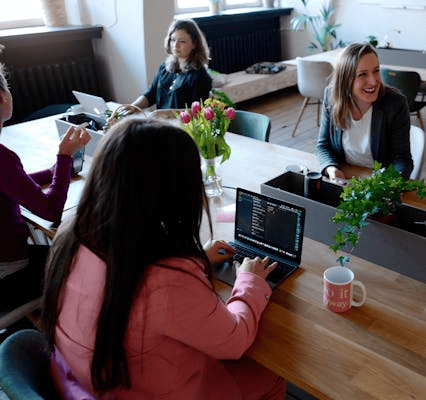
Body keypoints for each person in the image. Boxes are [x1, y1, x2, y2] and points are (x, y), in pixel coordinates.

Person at [40, 118, 286, 400]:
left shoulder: (72, 235)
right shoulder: (167, 278)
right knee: (273, 375)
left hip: (83, 380)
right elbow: (235, 341)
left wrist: (196, 258)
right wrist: (249, 281)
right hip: (149, 390)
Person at [0, 49, 90, 311]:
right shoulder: (3, 158)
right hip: (12, 276)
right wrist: (64, 157)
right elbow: (51, 211)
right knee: (85, 259)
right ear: (2, 99)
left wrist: (52, 172)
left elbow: (11, 185)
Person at [316, 42, 414, 180]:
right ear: (345, 80)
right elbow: (323, 146)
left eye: (376, 71)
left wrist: (390, 183)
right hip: (346, 177)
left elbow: (402, 159)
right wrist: (331, 168)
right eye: (362, 74)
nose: (373, 81)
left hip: (380, 183)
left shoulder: (395, 103)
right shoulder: (331, 96)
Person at [131, 19, 212, 114]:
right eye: (173, 40)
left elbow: (198, 112)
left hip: (182, 127)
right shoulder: (164, 68)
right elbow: (150, 95)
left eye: (182, 41)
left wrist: (165, 114)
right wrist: (133, 106)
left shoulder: (199, 75)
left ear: (194, 44)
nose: (176, 45)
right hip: (162, 123)